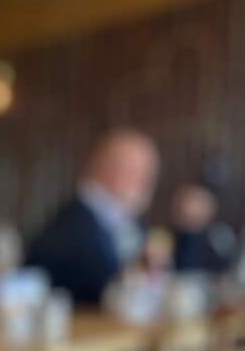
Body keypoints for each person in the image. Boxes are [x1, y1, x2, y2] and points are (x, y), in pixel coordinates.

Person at [26, 129, 159, 306]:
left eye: (147, 173)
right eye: (133, 170)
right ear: (103, 166)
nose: (143, 181)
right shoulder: (70, 227)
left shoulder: (131, 222)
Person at [169, 181, 238, 275]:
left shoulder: (219, 237)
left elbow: (227, 269)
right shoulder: (170, 238)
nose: (191, 209)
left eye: (197, 204)